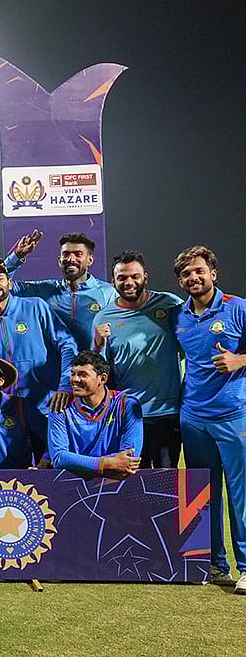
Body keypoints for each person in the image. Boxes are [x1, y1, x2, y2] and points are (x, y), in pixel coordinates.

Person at [172, 246, 246, 592]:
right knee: (203, 494)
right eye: (187, 274)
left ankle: (245, 566)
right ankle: (215, 565)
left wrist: (239, 361)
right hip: (193, 417)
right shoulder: (178, 315)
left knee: (240, 493)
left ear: (213, 273)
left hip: (233, 415)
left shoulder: (237, 307)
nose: (194, 278)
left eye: (199, 271)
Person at [0, 257, 77, 458]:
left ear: (9, 282)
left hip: (47, 405)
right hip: (9, 413)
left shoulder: (35, 306)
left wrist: (65, 386)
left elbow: (67, 344)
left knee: (53, 467)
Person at [92, 251, 183, 468]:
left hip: (167, 413)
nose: (129, 282)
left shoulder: (170, 305)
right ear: (112, 281)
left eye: (135, 276)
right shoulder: (103, 318)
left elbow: (194, 335)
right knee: (134, 485)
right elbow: (100, 370)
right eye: (122, 277)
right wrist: (97, 344)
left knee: (166, 482)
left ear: (145, 277)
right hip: (129, 414)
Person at [5, 231, 116, 350]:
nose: (71, 259)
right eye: (66, 254)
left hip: (91, 366)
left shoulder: (108, 292)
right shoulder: (45, 290)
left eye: (78, 254)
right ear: (59, 260)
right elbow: (1, 284)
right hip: (54, 367)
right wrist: (17, 256)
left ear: (90, 260)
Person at [46, 351, 143, 477]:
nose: (75, 379)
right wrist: (106, 463)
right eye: (73, 374)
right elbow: (59, 458)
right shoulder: (60, 407)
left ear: (102, 378)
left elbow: (130, 457)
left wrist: (78, 462)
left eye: (83, 375)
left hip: (117, 484)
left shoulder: (126, 404)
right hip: (72, 485)